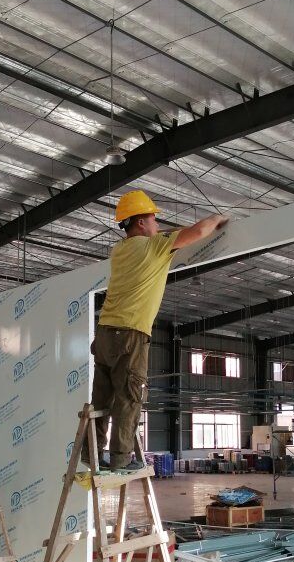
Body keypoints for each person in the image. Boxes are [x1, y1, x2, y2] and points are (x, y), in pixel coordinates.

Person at [82, 189, 229, 471]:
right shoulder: (155, 247)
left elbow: (162, 234)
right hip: (130, 335)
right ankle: (121, 460)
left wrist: (163, 231)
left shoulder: (120, 250)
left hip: (104, 335)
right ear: (140, 222)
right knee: (129, 398)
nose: (158, 224)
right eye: (153, 219)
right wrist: (218, 217)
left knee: (101, 400)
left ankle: (91, 454)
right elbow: (199, 231)